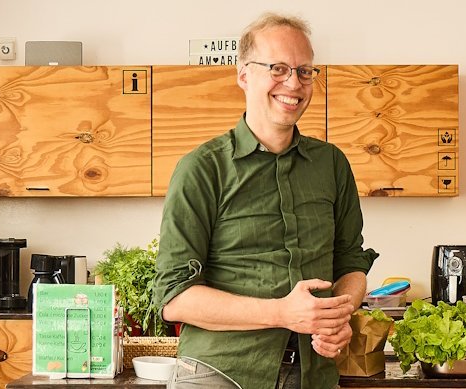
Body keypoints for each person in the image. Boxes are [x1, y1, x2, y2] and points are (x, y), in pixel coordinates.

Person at [151, 12, 379, 389]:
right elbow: (175, 297)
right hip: (221, 374)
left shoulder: (332, 164)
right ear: (243, 75)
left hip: (314, 374)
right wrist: (282, 313)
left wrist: (339, 314)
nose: (294, 83)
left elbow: (350, 262)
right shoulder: (203, 169)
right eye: (278, 68)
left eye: (305, 71)